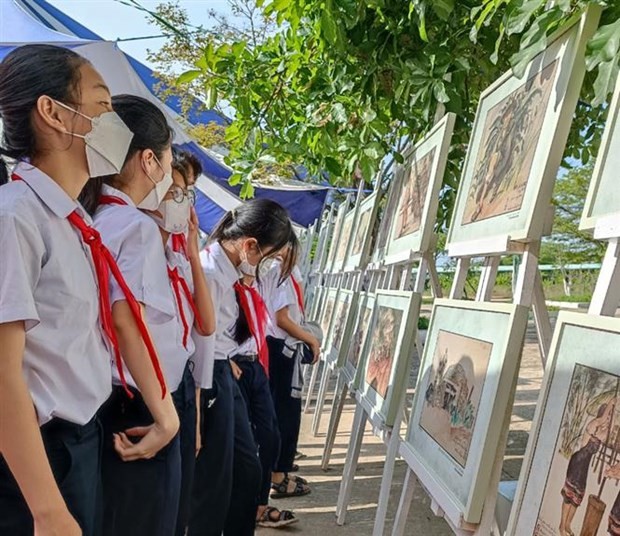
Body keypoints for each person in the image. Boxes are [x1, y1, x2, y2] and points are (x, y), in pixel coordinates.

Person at [0, 44, 178, 536]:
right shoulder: (16, 216)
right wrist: (48, 510)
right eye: (102, 106)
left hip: (78, 440)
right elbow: (2, 371)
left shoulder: (74, 222)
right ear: (54, 113)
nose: (112, 123)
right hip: (39, 456)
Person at [80, 94, 209, 536]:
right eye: (170, 164)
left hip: (118, 403)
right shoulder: (133, 226)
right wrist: (168, 418)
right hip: (141, 408)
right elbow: (125, 319)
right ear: (150, 161)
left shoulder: (98, 216)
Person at [189, 200, 295, 536]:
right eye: (270, 259)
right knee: (215, 481)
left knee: (247, 469)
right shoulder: (209, 271)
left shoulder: (227, 271)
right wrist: (199, 406)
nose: (269, 268)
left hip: (221, 372)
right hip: (207, 379)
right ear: (250, 246)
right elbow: (202, 339)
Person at [156, 155, 216, 536]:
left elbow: (205, 327)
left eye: (186, 194)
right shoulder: (134, 243)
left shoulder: (178, 257)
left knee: (177, 512)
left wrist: (193, 251)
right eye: (174, 192)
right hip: (150, 396)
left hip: (180, 393)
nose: (182, 202)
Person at [231, 274, 297, 528]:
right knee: (243, 448)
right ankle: (247, 508)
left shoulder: (261, 280)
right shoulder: (219, 278)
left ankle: (260, 502)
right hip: (233, 366)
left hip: (256, 362)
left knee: (270, 436)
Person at [261, 248, 320, 498]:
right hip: (282, 348)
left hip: (277, 346)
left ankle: (280, 467)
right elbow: (282, 318)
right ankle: (278, 475)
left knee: (281, 409)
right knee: (285, 411)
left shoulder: (282, 272)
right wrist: (311, 340)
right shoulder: (280, 273)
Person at [560, 401, 615, 536]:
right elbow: (602, 419)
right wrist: (611, 404)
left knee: (577, 498)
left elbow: (611, 427)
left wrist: (612, 416)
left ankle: (568, 525)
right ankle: (562, 526)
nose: (607, 420)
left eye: (609, 419)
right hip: (577, 462)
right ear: (602, 414)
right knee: (569, 496)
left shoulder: (603, 432)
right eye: (607, 417)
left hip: (584, 468)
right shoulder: (594, 424)